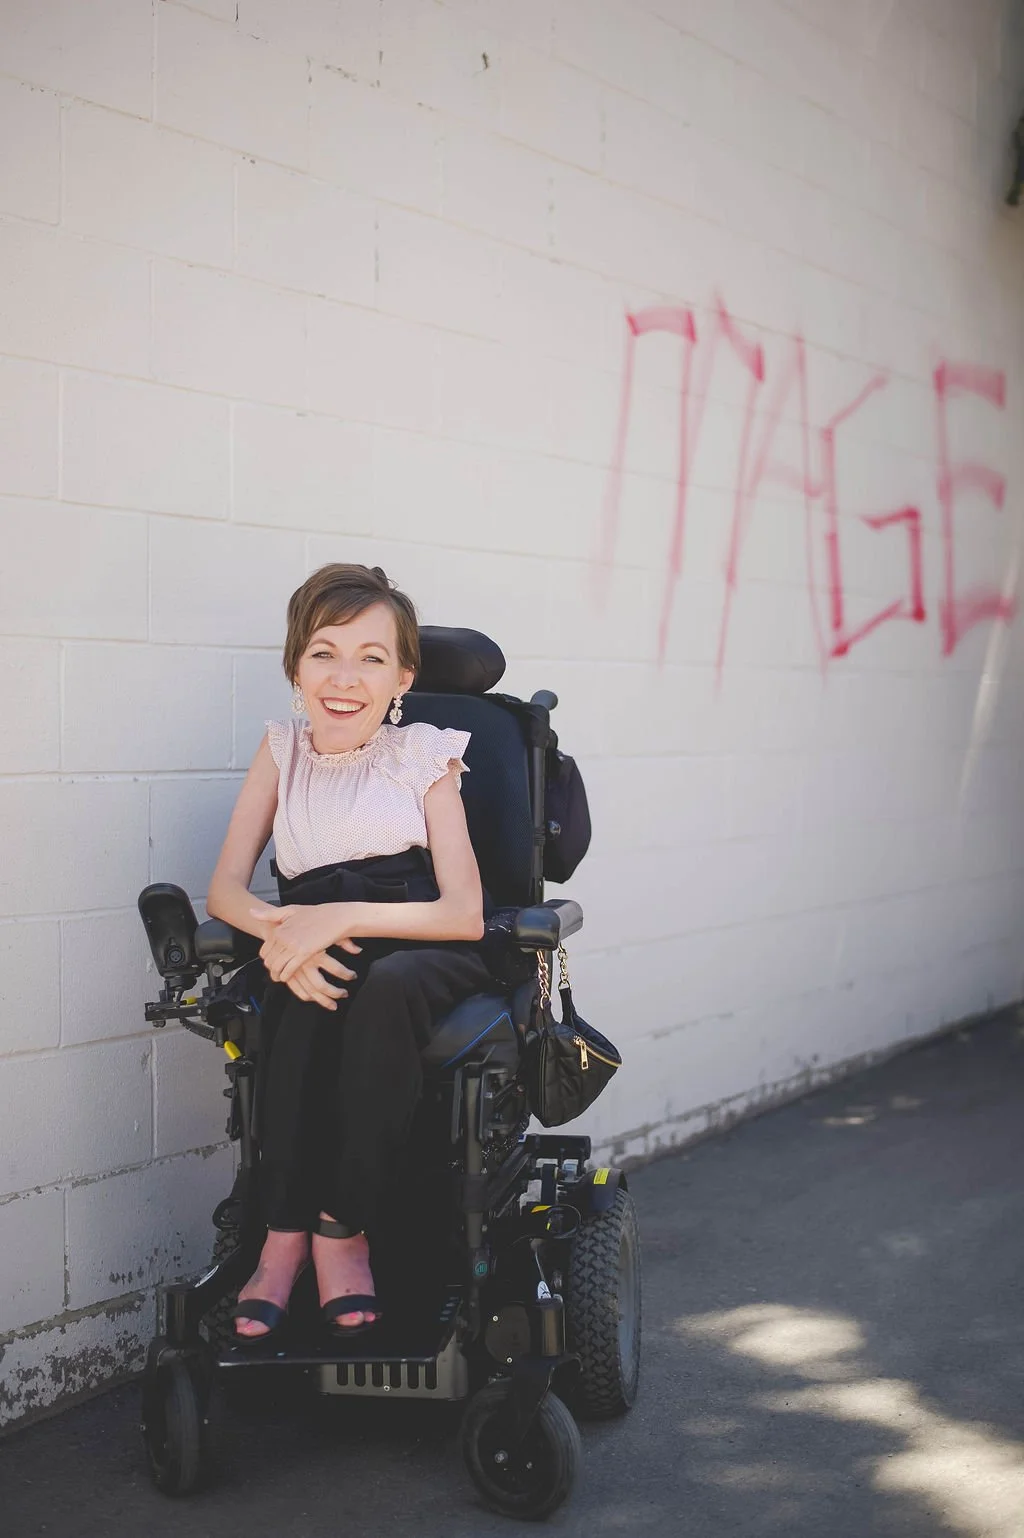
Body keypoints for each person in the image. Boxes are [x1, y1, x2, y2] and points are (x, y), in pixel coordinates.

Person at [207, 563, 493, 1339]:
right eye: (324, 652)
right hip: (308, 937)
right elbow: (227, 893)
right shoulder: (282, 751)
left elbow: (465, 914)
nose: (344, 677)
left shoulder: (426, 755)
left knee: (385, 987)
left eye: (372, 658)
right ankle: (283, 1237)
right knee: (297, 996)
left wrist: (329, 921)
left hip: (417, 941)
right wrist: (283, 935)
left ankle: (344, 1229)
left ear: (403, 677)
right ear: (295, 666)